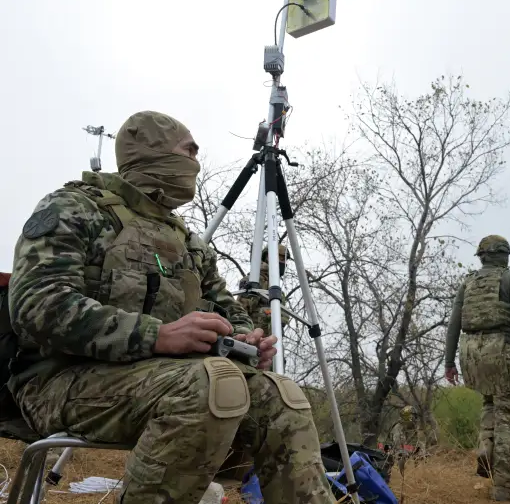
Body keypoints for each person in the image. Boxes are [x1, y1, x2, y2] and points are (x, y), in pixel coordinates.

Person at [7, 111, 334, 504]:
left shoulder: (188, 242)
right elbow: (38, 305)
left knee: (282, 396)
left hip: (165, 382)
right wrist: (158, 335)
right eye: (188, 151)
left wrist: (247, 338)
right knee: (211, 384)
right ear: (152, 150)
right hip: (61, 381)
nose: (195, 162)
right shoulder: (75, 208)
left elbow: (228, 310)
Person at [443, 235, 510, 502]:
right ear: (504, 256)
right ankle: (504, 490)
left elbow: (454, 324)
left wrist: (449, 363)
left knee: (489, 405)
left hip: (471, 354)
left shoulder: (468, 282)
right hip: (502, 350)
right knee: (507, 416)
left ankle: (485, 447)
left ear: (482, 257)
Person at [237, 244, 291, 335]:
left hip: (270, 343)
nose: (283, 263)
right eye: (281, 259)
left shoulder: (275, 286)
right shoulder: (256, 280)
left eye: (285, 260)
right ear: (269, 257)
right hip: (252, 340)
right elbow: (239, 312)